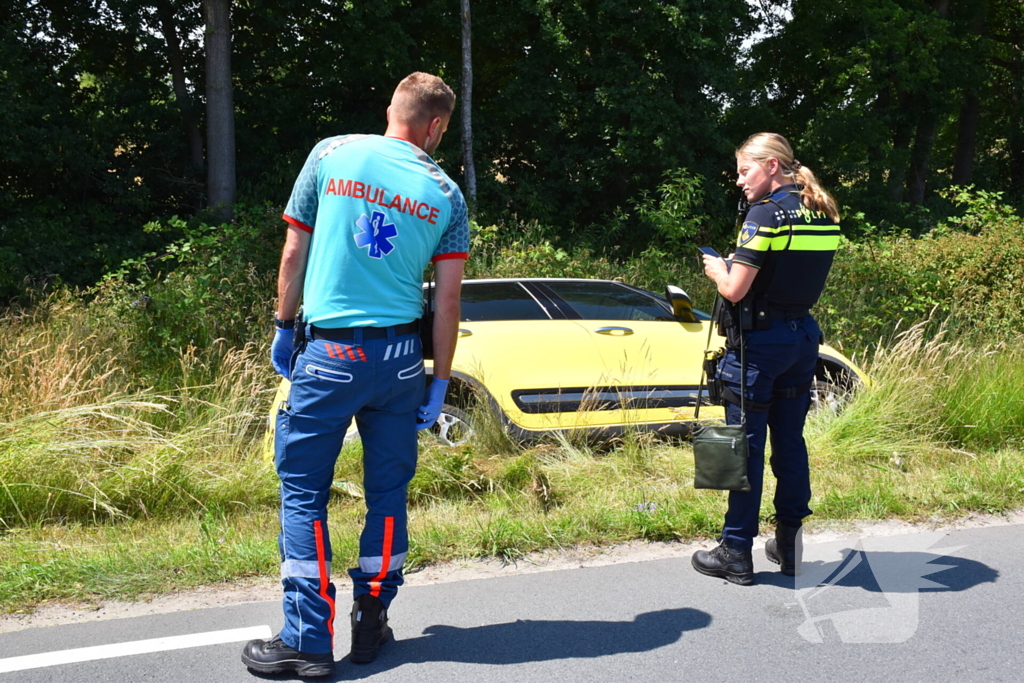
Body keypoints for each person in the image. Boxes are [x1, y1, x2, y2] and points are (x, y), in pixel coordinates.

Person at [241, 72, 469, 677]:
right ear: (436, 125)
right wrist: (440, 381)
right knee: (387, 496)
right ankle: (372, 624)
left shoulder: (333, 153)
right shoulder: (446, 193)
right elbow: (447, 303)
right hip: (398, 365)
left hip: (330, 357)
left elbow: (294, 253)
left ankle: (307, 641)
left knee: (304, 495)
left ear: (390, 111)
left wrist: (284, 328)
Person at [692, 132, 840, 586]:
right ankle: (789, 546)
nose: (739, 181)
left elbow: (736, 289)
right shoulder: (822, 211)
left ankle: (735, 549)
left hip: (760, 343)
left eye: (744, 170)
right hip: (802, 338)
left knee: (746, 444)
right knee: (790, 443)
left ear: (772, 166)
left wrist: (719, 269)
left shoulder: (766, 213)